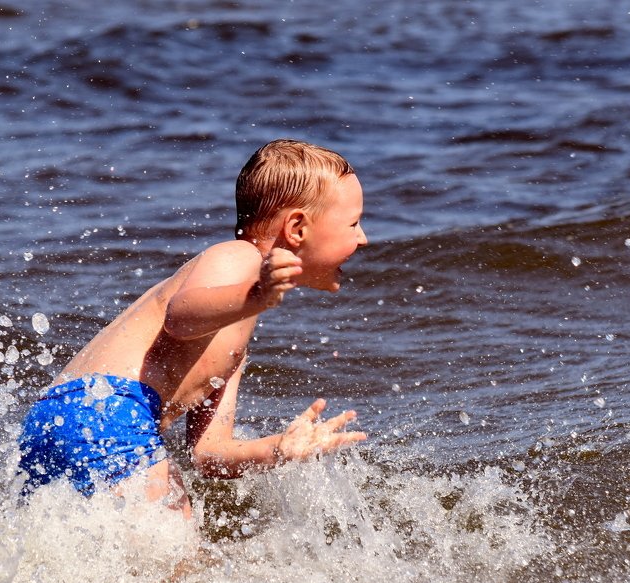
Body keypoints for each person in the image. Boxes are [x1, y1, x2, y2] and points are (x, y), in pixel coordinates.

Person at [18, 139, 369, 518]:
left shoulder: (233, 337)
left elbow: (208, 454)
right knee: (177, 551)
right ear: (297, 228)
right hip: (112, 408)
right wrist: (256, 294)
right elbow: (180, 317)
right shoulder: (238, 256)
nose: (363, 237)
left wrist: (279, 449)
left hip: (55, 418)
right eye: (353, 224)